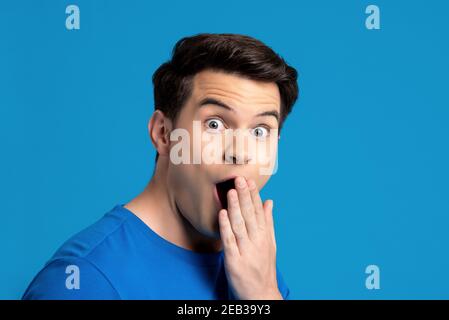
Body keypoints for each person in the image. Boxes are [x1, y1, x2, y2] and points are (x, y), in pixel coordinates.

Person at [23, 33, 299, 300]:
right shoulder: (84, 281)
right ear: (163, 134)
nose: (240, 153)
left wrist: (263, 295)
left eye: (260, 130)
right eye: (215, 124)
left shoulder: (257, 269)